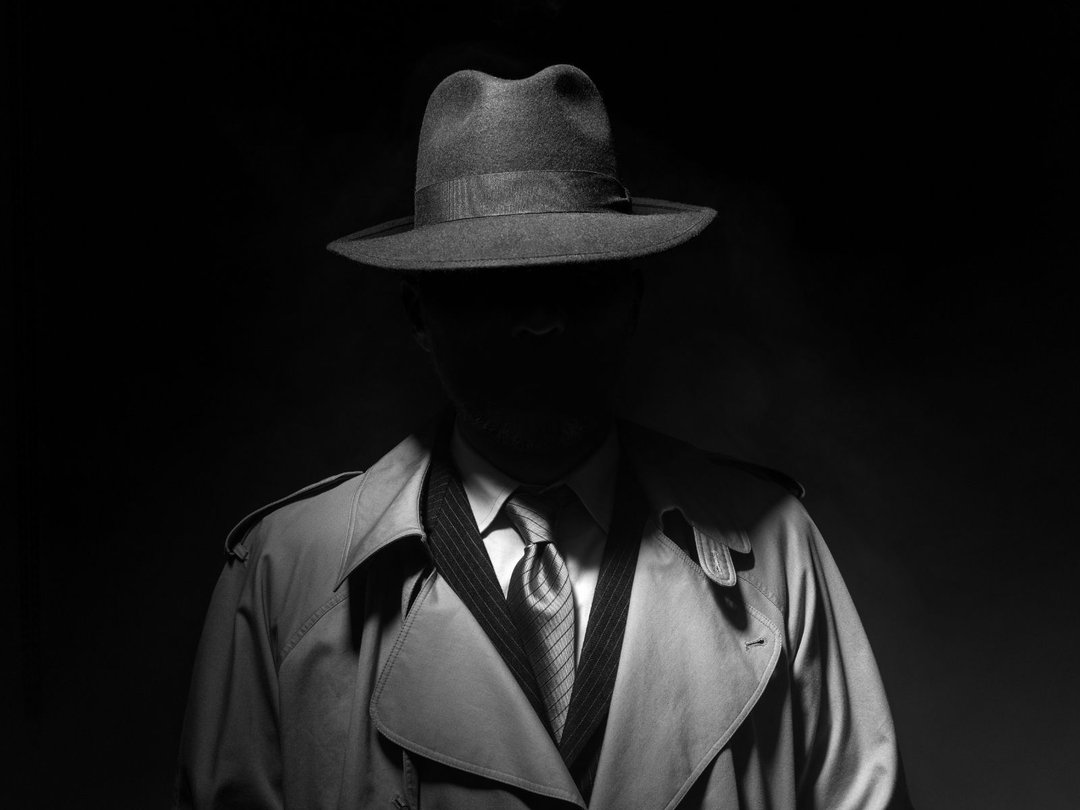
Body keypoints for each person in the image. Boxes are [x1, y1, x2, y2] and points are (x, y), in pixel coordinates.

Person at [176, 64, 911, 809]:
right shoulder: (282, 576)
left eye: (576, 277)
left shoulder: (776, 550)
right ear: (419, 314)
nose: (539, 320)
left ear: (631, 299)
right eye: (490, 284)